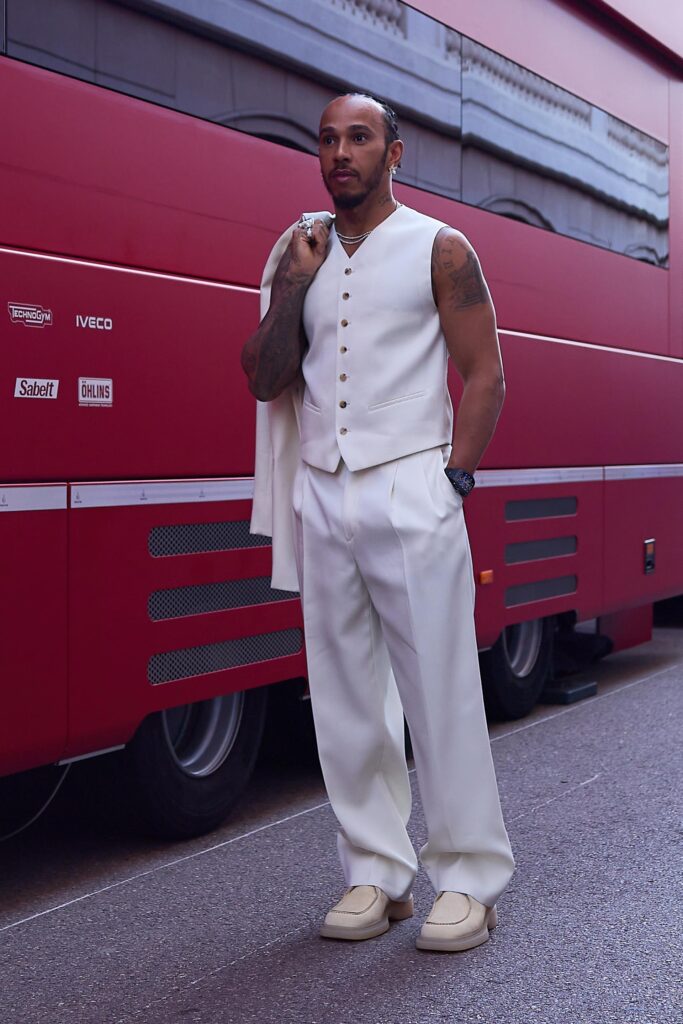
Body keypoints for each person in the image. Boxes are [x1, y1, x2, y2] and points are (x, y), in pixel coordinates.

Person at [241, 93, 515, 953]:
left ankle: (468, 879)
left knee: (440, 689)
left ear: (394, 153)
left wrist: (451, 481)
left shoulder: (441, 247)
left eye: (358, 138)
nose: (339, 152)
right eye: (327, 139)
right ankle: (376, 872)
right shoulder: (297, 251)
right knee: (344, 696)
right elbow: (263, 377)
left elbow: (485, 375)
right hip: (323, 490)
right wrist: (294, 282)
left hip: (412, 486)